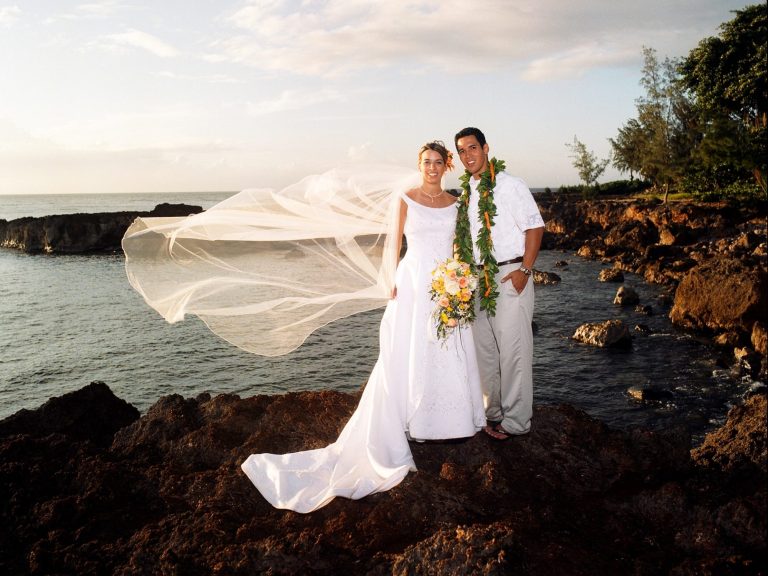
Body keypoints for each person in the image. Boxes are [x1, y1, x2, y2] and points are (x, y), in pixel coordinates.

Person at [238, 141, 485, 512]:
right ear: (419, 165)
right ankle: (412, 420)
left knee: (447, 345)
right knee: (409, 349)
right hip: (414, 281)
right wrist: (389, 281)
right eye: (426, 162)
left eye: (438, 162)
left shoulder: (456, 203)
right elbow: (391, 244)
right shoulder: (405, 198)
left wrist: (461, 277)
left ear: (447, 165)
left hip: (447, 281)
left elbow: (460, 246)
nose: (432, 168)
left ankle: (447, 421)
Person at [453, 127, 545, 440]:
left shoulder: (510, 185)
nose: (468, 156)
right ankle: (491, 414)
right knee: (484, 353)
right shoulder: (466, 193)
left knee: (514, 352)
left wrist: (525, 271)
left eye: (472, 148)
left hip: (508, 275)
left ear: (486, 148)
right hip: (476, 280)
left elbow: (535, 228)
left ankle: (517, 422)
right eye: (462, 151)